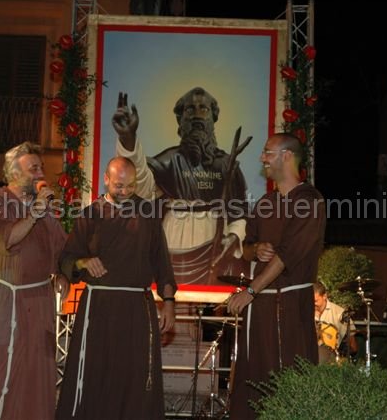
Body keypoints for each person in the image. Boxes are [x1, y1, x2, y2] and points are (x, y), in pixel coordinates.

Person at [56, 157, 177, 420]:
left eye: (131, 186)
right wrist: (83, 261)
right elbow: (66, 259)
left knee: (135, 374)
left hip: (137, 308)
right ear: (106, 179)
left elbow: (162, 263)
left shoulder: (148, 215)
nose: (124, 191)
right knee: (95, 372)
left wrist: (169, 302)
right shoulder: (90, 214)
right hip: (98, 308)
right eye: (119, 185)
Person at [0, 141, 69, 420]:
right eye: (33, 168)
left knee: (35, 374)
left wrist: (62, 271)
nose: (39, 173)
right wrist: (35, 211)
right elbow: (5, 239)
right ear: (13, 173)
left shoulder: (43, 208)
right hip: (4, 301)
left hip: (39, 304)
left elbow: (60, 246)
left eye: (40, 167)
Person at [226, 133, 326, 419]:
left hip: (289, 307)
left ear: (286, 156)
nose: (262, 158)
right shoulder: (266, 202)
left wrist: (250, 292)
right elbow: (244, 250)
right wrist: (255, 249)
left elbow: (286, 256)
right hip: (260, 312)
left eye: (267, 152)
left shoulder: (309, 201)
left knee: (286, 379)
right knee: (253, 378)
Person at [112, 88, 251, 286]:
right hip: (172, 240)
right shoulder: (168, 161)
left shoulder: (227, 165)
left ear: (213, 117)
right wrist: (128, 138)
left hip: (215, 241)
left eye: (203, 109)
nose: (196, 115)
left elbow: (240, 209)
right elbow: (139, 182)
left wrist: (235, 235)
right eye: (189, 110)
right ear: (180, 119)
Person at [314, 281, 358, 362]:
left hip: (332, 359)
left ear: (324, 296)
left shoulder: (339, 313)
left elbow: (353, 346)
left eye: (315, 301)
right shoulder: (306, 311)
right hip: (309, 356)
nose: (312, 304)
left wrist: (341, 357)